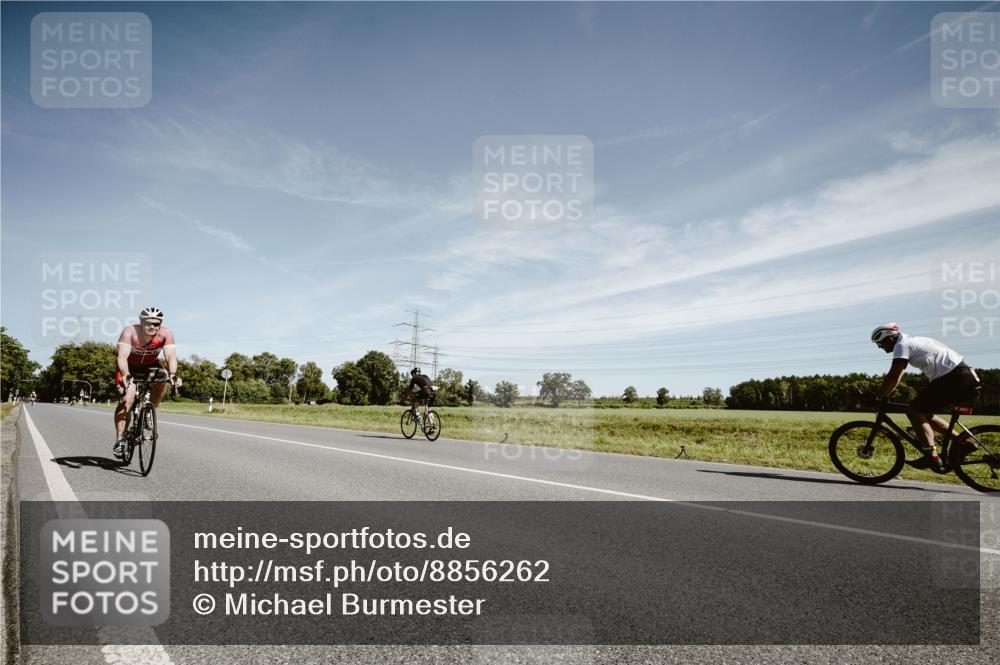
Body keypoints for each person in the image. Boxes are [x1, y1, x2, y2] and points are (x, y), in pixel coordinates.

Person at [872, 323, 981, 470]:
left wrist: (878, 397)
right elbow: (899, 374)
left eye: (880, 343)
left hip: (953, 378)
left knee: (913, 411)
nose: (880, 347)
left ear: (888, 338)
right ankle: (964, 443)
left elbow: (893, 376)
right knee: (924, 413)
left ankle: (933, 457)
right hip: (963, 376)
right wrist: (885, 393)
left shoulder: (901, 344)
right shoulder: (913, 341)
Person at [113, 307, 182, 458]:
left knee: (164, 377)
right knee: (127, 399)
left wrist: (173, 374)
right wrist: (125, 375)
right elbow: (122, 357)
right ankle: (120, 439)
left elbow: (170, 356)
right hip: (128, 367)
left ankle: (149, 410)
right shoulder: (130, 332)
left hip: (150, 366)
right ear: (141, 322)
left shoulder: (165, 334)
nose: (152, 327)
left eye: (156, 324)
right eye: (148, 323)